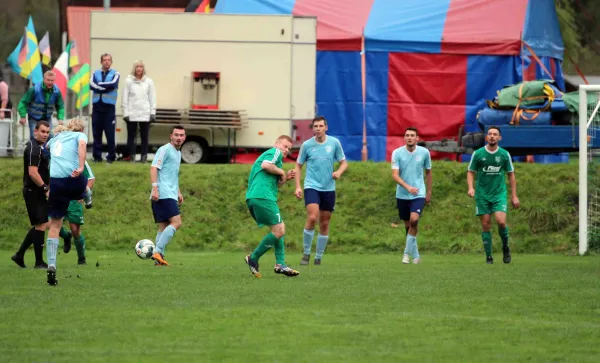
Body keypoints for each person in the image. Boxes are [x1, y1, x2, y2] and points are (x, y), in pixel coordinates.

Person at [244, 135, 299, 278]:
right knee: (280, 229)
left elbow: (275, 183)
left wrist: (285, 178)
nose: (286, 150)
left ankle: (280, 263)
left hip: (256, 197)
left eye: (289, 148)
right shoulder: (274, 153)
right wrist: (281, 172)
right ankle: (253, 257)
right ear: (276, 144)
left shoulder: (276, 161)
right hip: (263, 197)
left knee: (277, 229)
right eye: (285, 146)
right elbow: (265, 165)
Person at [295, 116, 347, 266]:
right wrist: (298, 186)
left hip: (328, 188)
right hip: (312, 186)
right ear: (312, 129)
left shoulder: (334, 143)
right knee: (312, 217)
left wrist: (339, 172)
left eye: (320, 126)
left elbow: (344, 163)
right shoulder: (307, 145)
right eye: (315, 126)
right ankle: (306, 254)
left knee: (324, 222)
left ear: (326, 127)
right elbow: (298, 166)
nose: (318, 129)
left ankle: (318, 256)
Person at [45, 118, 89, 286]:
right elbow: (82, 146)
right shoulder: (79, 136)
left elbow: (47, 148)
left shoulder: (55, 138)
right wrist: (80, 165)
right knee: (84, 184)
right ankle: (88, 197)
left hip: (55, 182)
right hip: (71, 179)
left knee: (55, 225)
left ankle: (51, 264)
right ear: (81, 129)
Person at [467, 126, 520, 264]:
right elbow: (471, 172)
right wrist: (471, 188)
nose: (492, 136)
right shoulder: (478, 154)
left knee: (501, 221)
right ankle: (489, 256)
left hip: (499, 194)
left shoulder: (504, 154)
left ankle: (505, 247)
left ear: (499, 138)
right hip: (482, 195)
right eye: (489, 134)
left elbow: (511, 175)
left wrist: (514, 196)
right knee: (486, 224)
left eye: (495, 134)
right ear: (486, 137)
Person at [52, 124, 95, 266]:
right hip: (59, 191)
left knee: (75, 229)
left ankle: (81, 258)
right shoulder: (55, 156)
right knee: (49, 224)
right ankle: (65, 237)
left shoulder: (80, 158)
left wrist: (84, 192)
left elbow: (91, 178)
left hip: (74, 197)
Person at [11, 121, 51, 269]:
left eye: (47, 132)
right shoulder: (34, 148)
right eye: (42, 131)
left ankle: (19, 255)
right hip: (33, 191)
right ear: (35, 132)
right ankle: (39, 262)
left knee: (41, 224)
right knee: (41, 224)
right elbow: (33, 173)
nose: (45, 134)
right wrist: (45, 187)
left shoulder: (39, 147)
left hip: (37, 191)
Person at [391, 127, 432, 265]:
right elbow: (395, 175)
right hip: (402, 194)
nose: (409, 137)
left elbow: (428, 172)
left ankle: (406, 254)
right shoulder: (397, 153)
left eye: (412, 135)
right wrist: (407, 187)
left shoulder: (424, 152)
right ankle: (416, 255)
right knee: (408, 226)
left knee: (414, 220)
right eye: (407, 135)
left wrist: (429, 192)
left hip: (418, 193)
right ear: (404, 138)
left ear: (417, 138)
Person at [150, 125, 186, 266]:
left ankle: (159, 259)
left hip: (170, 193)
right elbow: (153, 168)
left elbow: (172, 175)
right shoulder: (164, 149)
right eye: (176, 135)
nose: (178, 138)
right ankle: (157, 251)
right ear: (171, 136)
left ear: (184, 138)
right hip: (163, 193)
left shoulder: (178, 153)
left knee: (163, 227)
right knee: (177, 223)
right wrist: (155, 189)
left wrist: (178, 191)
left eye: (181, 135)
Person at [122, 60, 156, 163]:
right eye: (137, 67)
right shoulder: (128, 81)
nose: (139, 69)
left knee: (144, 137)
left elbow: (152, 98)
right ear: (134, 68)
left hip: (145, 113)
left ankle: (144, 157)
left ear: (143, 69)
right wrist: (125, 112)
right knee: (131, 137)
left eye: (141, 67)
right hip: (132, 113)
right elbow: (125, 97)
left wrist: (152, 112)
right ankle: (132, 157)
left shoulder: (149, 82)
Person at [90, 53, 120, 164]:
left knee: (110, 133)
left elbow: (113, 84)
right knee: (96, 133)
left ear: (111, 62)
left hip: (109, 108)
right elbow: (91, 85)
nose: (107, 62)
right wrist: (103, 87)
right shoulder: (95, 73)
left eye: (109, 60)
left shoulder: (115, 73)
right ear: (101, 62)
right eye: (104, 60)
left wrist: (99, 86)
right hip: (97, 107)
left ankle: (111, 157)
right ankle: (97, 157)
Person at [17, 71, 65, 138]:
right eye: (48, 80)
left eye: (52, 80)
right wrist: (22, 116)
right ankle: (34, 148)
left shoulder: (56, 92)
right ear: (44, 79)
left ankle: (47, 148)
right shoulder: (34, 89)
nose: (50, 82)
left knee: (50, 136)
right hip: (33, 117)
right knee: (35, 136)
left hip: (47, 118)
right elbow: (23, 102)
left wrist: (60, 118)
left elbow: (60, 106)